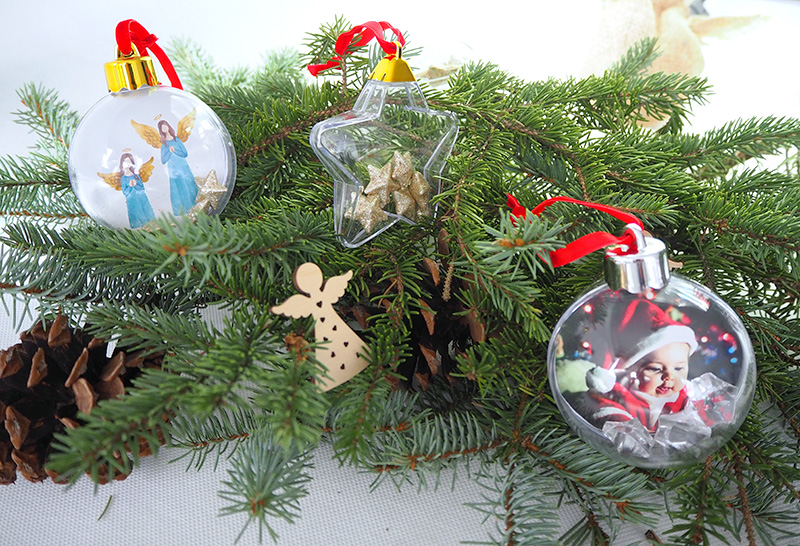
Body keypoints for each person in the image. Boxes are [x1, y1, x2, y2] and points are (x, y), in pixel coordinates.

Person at [583, 298, 699, 433]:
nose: (669, 377)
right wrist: (625, 425)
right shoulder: (623, 394)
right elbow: (601, 405)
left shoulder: (686, 397)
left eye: (679, 368)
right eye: (656, 369)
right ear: (634, 369)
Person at [158, 120, 198, 215]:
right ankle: (184, 210)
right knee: (179, 187)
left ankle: (196, 205)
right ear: (161, 130)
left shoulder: (176, 140)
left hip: (182, 166)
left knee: (189, 183)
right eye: (162, 127)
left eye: (165, 126)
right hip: (173, 169)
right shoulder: (164, 144)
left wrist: (175, 150)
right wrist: (169, 151)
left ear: (168, 126)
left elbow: (184, 153)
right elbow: (163, 160)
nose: (165, 128)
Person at [118, 153, 156, 229]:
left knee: (145, 210)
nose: (127, 164)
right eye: (125, 162)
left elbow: (142, 187)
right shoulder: (123, 179)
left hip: (141, 198)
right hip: (132, 200)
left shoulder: (136, 176)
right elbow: (125, 192)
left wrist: (136, 185)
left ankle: (152, 224)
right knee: (136, 212)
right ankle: (139, 228)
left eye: (129, 162)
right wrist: (130, 186)